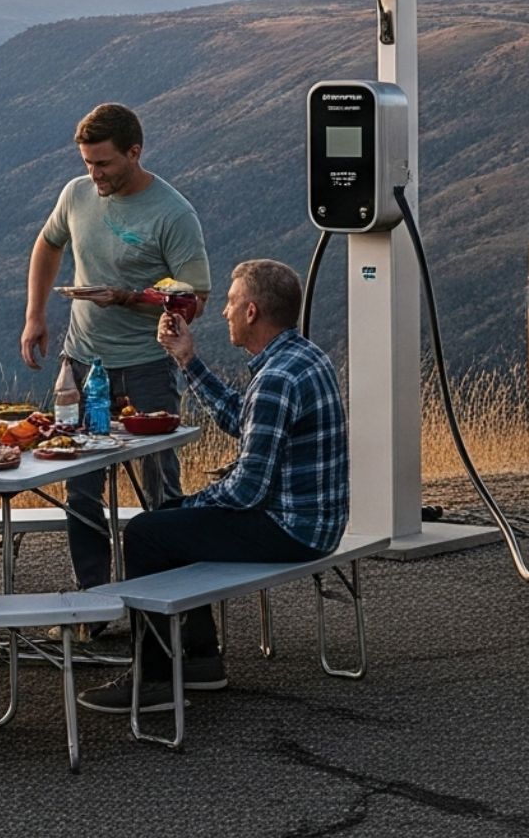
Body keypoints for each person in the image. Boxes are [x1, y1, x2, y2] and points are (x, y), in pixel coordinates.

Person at [78, 259, 348, 714]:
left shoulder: (276, 378)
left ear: (252, 312)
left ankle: (155, 679)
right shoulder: (301, 356)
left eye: (231, 301)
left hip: (292, 529)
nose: (224, 311)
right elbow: (243, 419)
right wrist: (187, 359)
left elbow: (247, 491)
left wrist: (188, 507)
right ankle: (200, 659)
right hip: (315, 521)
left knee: (147, 532)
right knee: (170, 519)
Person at [21, 102, 211, 601]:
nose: (94, 174)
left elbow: (196, 299)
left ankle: (164, 601)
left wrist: (128, 297)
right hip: (82, 362)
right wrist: (35, 314)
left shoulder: (173, 213)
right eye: (87, 163)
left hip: (147, 365)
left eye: (103, 163)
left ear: (134, 152)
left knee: (159, 485)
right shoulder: (76, 194)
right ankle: (94, 600)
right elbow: (48, 244)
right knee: (80, 484)